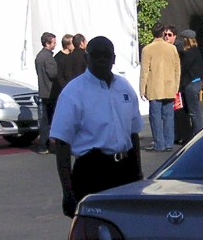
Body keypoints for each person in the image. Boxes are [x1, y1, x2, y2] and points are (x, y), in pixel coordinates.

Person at [50, 35, 144, 217]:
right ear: (87, 58)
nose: (102, 59)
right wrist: (67, 191)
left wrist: (138, 174)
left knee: (127, 226)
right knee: (95, 229)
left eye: (106, 55)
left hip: (126, 171)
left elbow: (133, 134)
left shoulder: (124, 87)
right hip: (92, 173)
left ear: (113, 59)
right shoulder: (73, 92)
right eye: (96, 54)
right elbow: (62, 143)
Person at [140, 23, 181, 152]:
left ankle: (159, 143)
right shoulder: (172, 48)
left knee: (155, 117)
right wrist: (176, 86)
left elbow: (145, 71)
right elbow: (177, 69)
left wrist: (142, 89)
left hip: (154, 87)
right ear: (163, 33)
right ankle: (169, 143)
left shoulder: (147, 49)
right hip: (169, 86)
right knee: (169, 116)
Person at [175, 29, 203, 143]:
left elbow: (183, 68)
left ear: (186, 40)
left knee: (194, 112)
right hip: (196, 83)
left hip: (191, 85)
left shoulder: (190, 53)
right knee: (194, 111)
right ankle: (195, 133)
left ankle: (198, 134)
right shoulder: (196, 51)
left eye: (183, 39)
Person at [33, 32, 59, 154]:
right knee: (49, 120)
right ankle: (45, 144)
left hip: (43, 91)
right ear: (48, 43)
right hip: (50, 92)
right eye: (54, 42)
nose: (55, 44)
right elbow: (53, 74)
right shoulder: (48, 57)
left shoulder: (39, 56)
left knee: (44, 120)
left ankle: (44, 145)